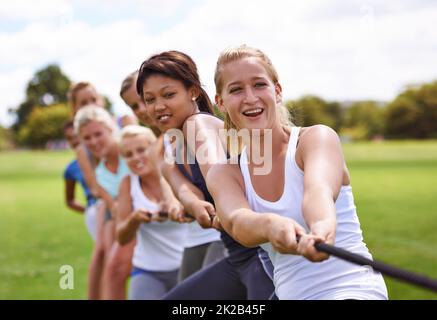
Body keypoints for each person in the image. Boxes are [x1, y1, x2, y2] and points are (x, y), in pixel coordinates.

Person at [206, 45, 388, 300]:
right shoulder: (224, 174)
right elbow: (238, 223)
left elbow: (319, 192)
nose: (250, 97)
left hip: (353, 289)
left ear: (277, 91)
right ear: (221, 102)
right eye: (236, 89)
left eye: (259, 85)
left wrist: (322, 228)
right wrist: (271, 225)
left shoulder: (315, 139)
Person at [136, 50, 276, 299]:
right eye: (150, 99)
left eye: (168, 95)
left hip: (261, 256)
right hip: (237, 258)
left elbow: (216, 171)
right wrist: (193, 204)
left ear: (192, 91)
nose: (158, 106)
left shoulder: (197, 124)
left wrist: (219, 204)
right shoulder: (171, 144)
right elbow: (182, 189)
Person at [122, 69, 225, 282]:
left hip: (222, 233)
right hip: (195, 236)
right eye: (138, 104)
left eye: (167, 95)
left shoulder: (197, 126)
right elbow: (173, 186)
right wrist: (178, 205)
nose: (144, 109)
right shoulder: (159, 148)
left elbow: (217, 179)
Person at [116, 125, 187, 299]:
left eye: (141, 150)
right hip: (147, 271)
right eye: (128, 154)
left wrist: (174, 206)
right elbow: (121, 237)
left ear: (154, 148)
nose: (135, 158)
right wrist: (135, 219)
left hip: (187, 267)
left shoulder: (176, 173)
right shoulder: (128, 184)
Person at [74, 105, 133, 300]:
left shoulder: (129, 152)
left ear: (110, 129)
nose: (93, 142)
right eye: (87, 138)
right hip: (120, 218)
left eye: (98, 134)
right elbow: (110, 204)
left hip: (139, 213)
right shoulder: (101, 173)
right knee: (111, 261)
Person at [63, 120, 98, 240]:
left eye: (76, 136)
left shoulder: (101, 156)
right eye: (69, 138)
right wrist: (88, 210)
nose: (74, 141)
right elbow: (69, 200)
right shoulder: (71, 169)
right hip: (95, 211)